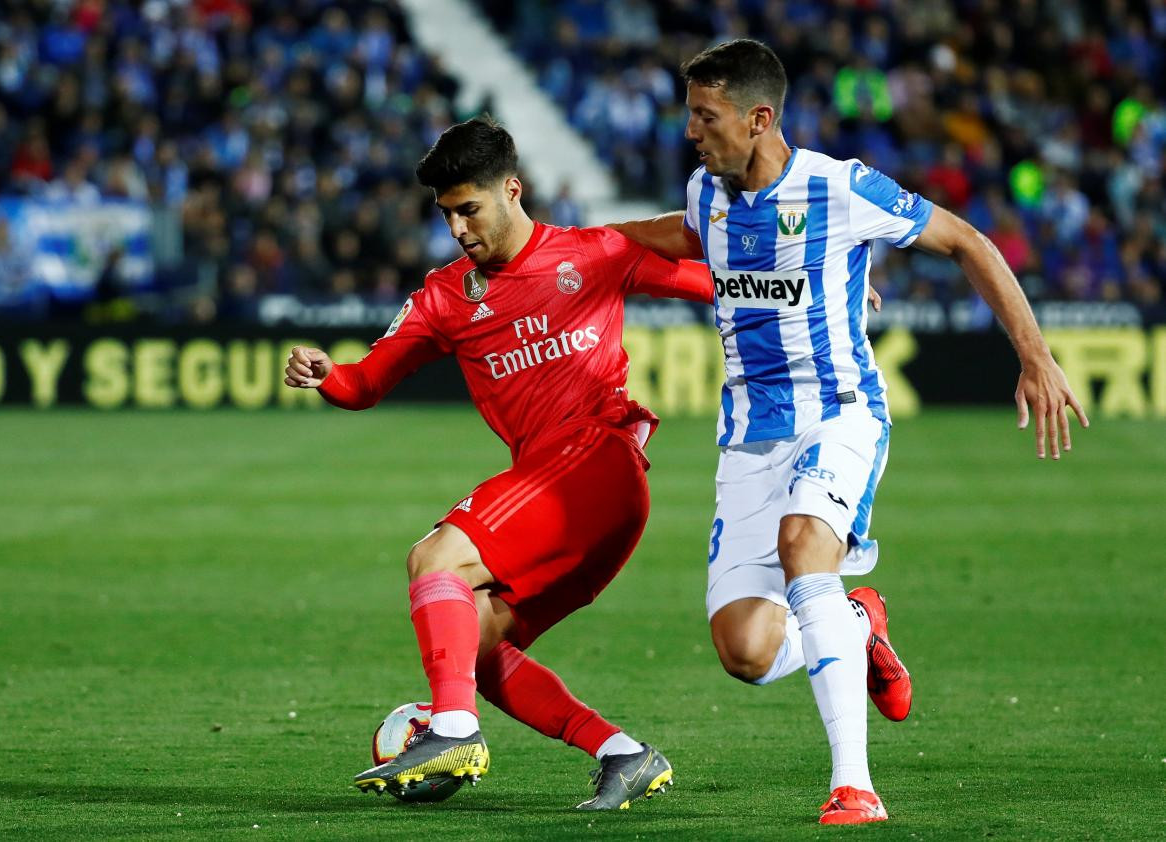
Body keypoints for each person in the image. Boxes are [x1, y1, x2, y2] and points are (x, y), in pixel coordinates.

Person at [609, 39, 1088, 825]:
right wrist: (566, 246)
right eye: (690, 114)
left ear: (759, 118)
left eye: (706, 116)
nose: (691, 131)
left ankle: (854, 785)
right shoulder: (707, 194)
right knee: (747, 653)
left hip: (840, 416)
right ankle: (860, 622)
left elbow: (966, 240)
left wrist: (1035, 357)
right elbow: (677, 236)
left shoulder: (841, 187)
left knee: (806, 543)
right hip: (748, 440)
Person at [283, 117, 713, 810]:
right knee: (472, 645)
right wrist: (326, 372)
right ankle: (623, 753)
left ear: (512, 190)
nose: (457, 228)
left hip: (597, 458)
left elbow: (714, 282)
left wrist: (820, 291)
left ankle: (452, 731)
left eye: (469, 209)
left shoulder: (594, 253)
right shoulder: (445, 297)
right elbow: (365, 385)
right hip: (585, 503)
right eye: (446, 214)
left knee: (435, 561)